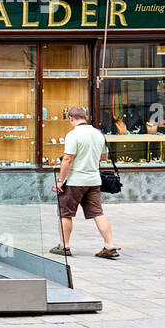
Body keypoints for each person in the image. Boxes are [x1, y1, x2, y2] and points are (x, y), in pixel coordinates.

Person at [53, 106, 119, 260]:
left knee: (65, 213)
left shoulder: (73, 135)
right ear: (86, 117)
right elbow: (103, 157)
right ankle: (109, 245)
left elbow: (68, 159)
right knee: (98, 213)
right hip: (94, 180)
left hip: (75, 181)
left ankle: (65, 246)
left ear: (71, 118)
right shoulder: (98, 134)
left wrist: (60, 181)